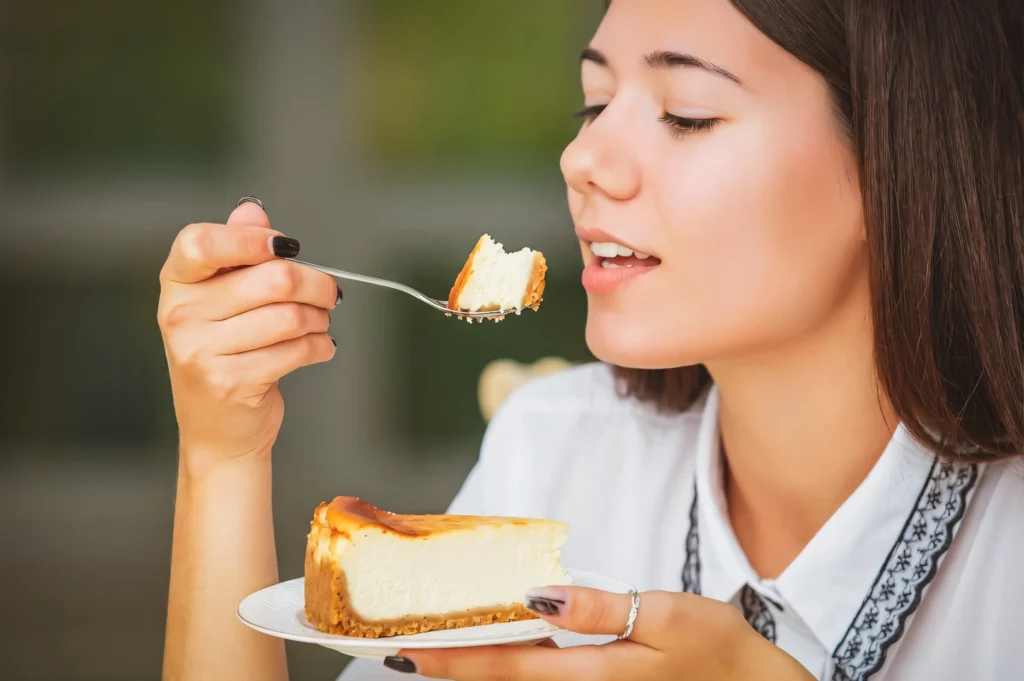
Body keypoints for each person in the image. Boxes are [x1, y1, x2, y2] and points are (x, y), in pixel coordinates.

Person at [158, 0, 1024, 679]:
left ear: (899, 152)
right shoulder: (558, 447)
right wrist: (222, 456)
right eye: (596, 102)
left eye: (686, 113)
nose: (581, 158)